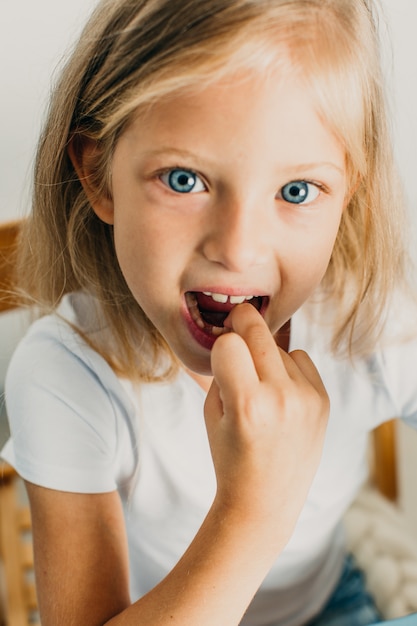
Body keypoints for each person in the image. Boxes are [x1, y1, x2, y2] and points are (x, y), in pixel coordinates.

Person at [1, 0, 416, 624]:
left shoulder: (370, 323)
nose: (238, 248)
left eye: (296, 191)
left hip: (330, 606)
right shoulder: (69, 372)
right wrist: (255, 511)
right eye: (184, 180)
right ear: (98, 176)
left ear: (347, 193)